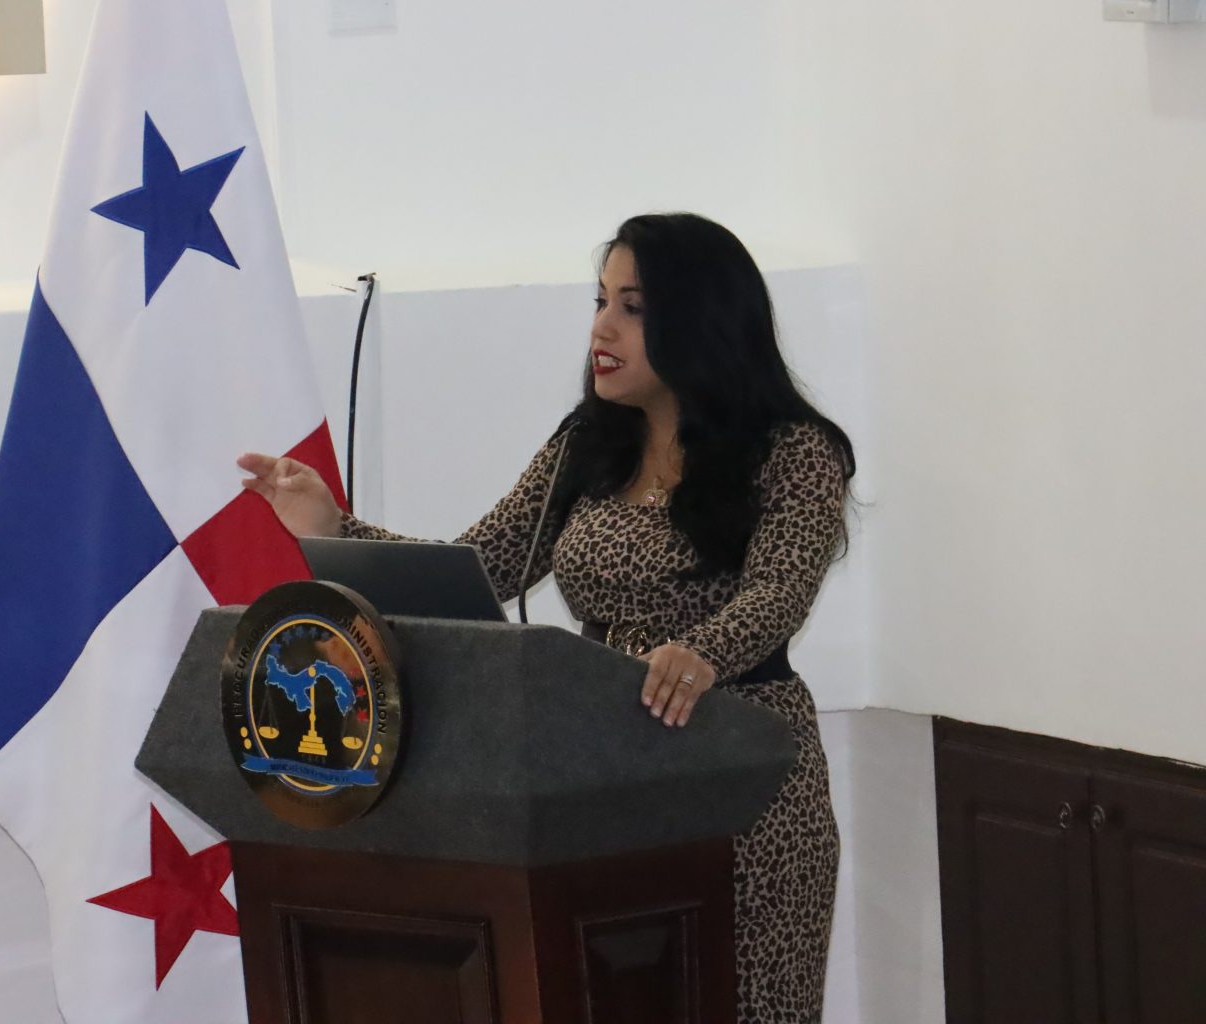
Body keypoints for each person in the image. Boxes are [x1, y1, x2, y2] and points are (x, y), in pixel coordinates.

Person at [238, 212, 854, 1024]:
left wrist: (700, 652)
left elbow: (778, 592)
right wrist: (332, 528)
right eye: (600, 302)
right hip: (606, 771)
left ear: (702, 319)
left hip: (744, 772)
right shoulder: (587, 444)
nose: (602, 329)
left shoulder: (795, 450)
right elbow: (480, 566)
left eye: (632, 308)